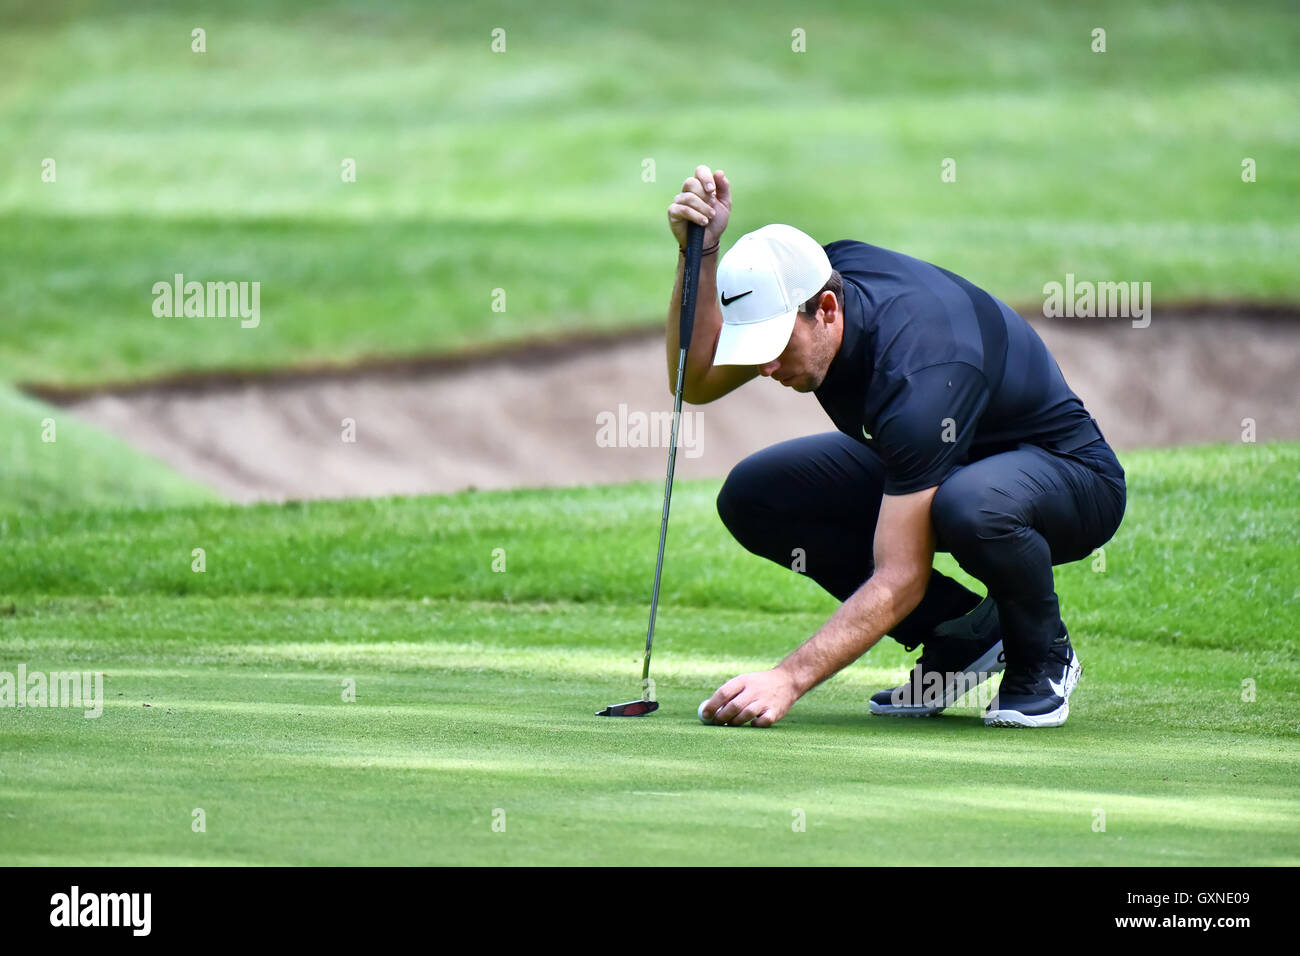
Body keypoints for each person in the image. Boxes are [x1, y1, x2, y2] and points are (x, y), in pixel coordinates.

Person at [666, 165, 1126, 729]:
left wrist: (787, 678)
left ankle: (1042, 658)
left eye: (774, 345)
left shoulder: (920, 374)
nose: (763, 366)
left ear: (827, 311)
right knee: (755, 495)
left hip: (1069, 480)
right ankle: (961, 637)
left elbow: (899, 575)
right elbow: (696, 379)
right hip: (947, 459)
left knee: (970, 506)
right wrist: (699, 255)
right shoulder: (816, 280)